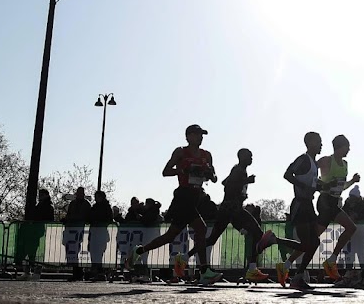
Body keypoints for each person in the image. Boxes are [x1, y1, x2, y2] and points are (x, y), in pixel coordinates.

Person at [124, 124, 224, 285]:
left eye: (202, 135)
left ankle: (139, 251)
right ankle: (204, 271)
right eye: (198, 134)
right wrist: (183, 171)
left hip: (196, 197)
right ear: (188, 136)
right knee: (201, 228)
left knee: (170, 236)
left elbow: (214, 178)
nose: (201, 137)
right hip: (183, 196)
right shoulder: (180, 152)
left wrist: (207, 173)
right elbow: (165, 171)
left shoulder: (207, 155)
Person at [199, 148, 285, 284]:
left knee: (211, 239)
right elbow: (229, 186)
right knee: (258, 233)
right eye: (249, 156)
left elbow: (224, 183)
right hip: (233, 208)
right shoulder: (239, 170)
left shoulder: (238, 170)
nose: (251, 159)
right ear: (241, 157)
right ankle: (252, 269)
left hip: (226, 208)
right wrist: (246, 181)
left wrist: (242, 190)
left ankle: (185, 257)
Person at [276, 132, 329, 290]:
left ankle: (297, 276)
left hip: (308, 205)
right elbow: (287, 174)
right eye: (319, 142)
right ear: (310, 143)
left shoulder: (313, 163)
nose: (321, 145)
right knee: (307, 244)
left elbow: (312, 183)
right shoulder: (304, 159)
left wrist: (324, 186)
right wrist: (303, 186)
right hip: (300, 204)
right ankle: (273, 239)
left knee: (314, 242)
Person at [313, 135, 364, 287]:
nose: (349, 150)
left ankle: (331, 260)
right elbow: (311, 174)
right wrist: (325, 184)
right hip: (324, 201)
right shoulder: (326, 161)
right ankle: (289, 264)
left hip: (334, 202)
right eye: (347, 147)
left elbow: (341, 187)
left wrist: (352, 181)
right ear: (340, 147)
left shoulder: (345, 164)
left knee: (350, 228)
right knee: (312, 239)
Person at [339, 186, 364, 282]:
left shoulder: (363, 205)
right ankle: (349, 274)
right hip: (350, 235)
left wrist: (357, 217)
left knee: (362, 256)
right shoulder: (347, 204)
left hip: (360, 234)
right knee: (349, 256)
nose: (351, 200)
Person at [63, 187, 92, 281]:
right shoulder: (73, 203)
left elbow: (86, 216)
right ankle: (76, 272)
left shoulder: (86, 204)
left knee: (78, 251)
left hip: (79, 230)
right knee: (72, 251)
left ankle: (79, 273)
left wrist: (73, 219)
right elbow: (69, 214)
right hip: (72, 229)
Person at [88, 190, 115, 281]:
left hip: (101, 233)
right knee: (94, 253)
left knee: (99, 253)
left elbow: (109, 219)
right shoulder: (95, 207)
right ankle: (96, 272)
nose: (96, 198)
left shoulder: (106, 207)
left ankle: (100, 272)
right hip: (95, 232)